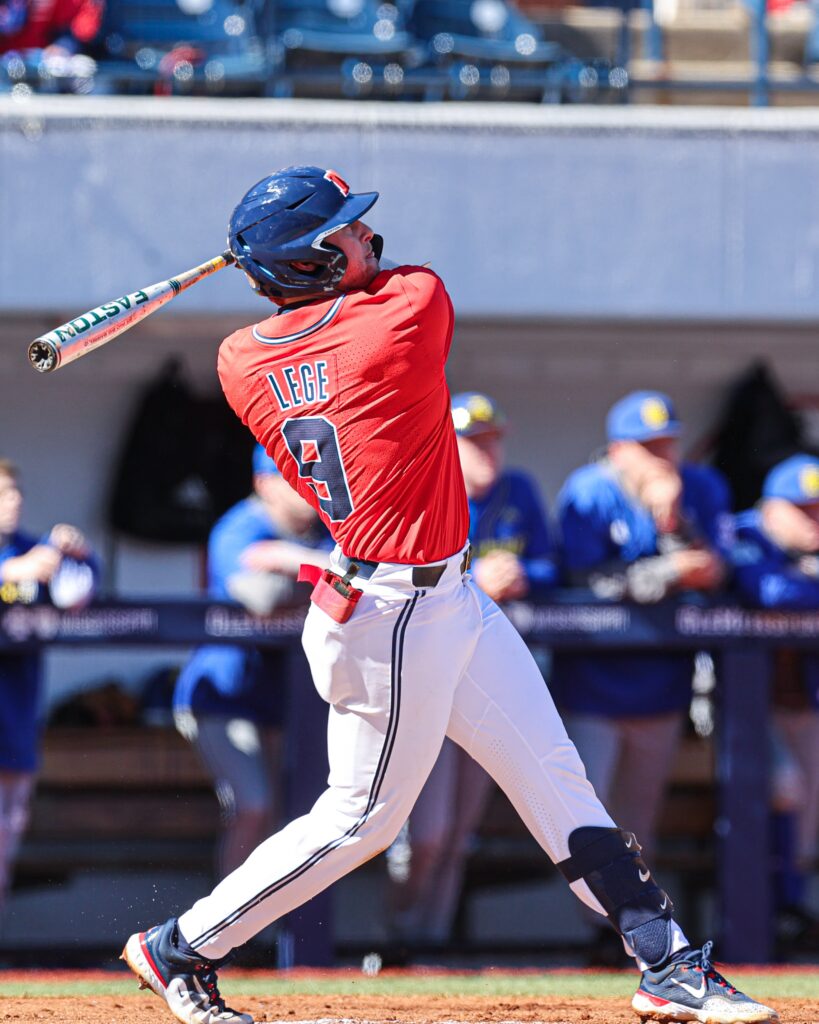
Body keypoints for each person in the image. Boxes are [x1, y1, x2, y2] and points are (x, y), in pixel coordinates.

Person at [121, 166, 776, 1024]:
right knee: (362, 821)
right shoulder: (401, 316)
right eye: (344, 233)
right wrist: (292, 253)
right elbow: (399, 277)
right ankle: (180, 949)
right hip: (390, 613)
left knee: (557, 782)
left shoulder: (240, 358)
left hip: (443, 598)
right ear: (309, 263)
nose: (365, 238)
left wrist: (278, 255)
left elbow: (323, 310)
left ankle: (665, 963)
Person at [551, 390, 732, 961]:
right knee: (588, 822)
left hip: (661, 688)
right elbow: (580, 580)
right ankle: (591, 935)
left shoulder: (698, 486)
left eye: (668, 443)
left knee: (640, 827)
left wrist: (672, 521)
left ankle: (628, 942)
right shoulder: (589, 491)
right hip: (592, 692)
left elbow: (719, 570)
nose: (661, 457)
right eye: (648, 447)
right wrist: (665, 573)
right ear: (619, 449)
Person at [386, 390, 558, 949]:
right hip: (431, 681)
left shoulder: (519, 491)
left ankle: (429, 944)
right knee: (427, 833)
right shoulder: (423, 490)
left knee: (459, 834)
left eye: (492, 440)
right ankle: (398, 941)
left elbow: (555, 565)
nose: (487, 452)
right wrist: (474, 577)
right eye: (472, 442)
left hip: (490, 680)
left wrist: (522, 572)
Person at [174, 444, 332, 879]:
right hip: (221, 698)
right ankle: (223, 936)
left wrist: (290, 562)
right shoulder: (240, 526)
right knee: (254, 806)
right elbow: (260, 597)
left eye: (313, 477)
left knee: (293, 822)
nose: (310, 489)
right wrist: (315, 572)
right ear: (264, 483)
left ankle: (264, 937)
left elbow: (360, 581)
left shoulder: (326, 534)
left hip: (284, 703)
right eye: (295, 479)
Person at [0, 457, 97, 915]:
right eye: (2, 493)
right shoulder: (18, 558)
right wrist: (9, 573)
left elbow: (81, 593)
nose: (13, 501)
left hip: (16, 712)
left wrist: (77, 553)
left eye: (15, 492)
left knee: (7, 831)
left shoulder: (32, 547)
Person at [732, 453, 819, 954]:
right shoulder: (745, 533)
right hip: (739, 711)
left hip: (801, 703)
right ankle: (765, 915)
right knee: (786, 788)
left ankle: (790, 911)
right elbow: (768, 590)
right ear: (771, 508)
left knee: (805, 811)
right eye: (801, 509)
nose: (812, 521)